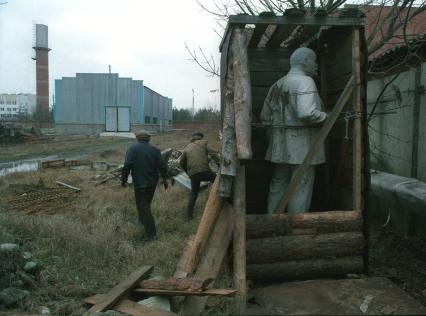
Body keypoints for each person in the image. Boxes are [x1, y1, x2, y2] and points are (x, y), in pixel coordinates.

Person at [260, 47, 328, 214]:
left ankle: (272, 225)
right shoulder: (305, 81)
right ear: (304, 61)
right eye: (314, 60)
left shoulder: (276, 85)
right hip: (303, 148)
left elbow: (264, 118)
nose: (316, 64)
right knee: (300, 187)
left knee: (278, 185)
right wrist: (326, 116)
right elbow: (306, 113)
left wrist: (275, 139)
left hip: (279, 149)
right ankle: (294, 230)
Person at [121, 130, 168, 240]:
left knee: (144, 207)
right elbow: (162, 166)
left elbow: (127, 165)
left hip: (140, 183)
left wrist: (123, 179)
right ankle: (141, 222)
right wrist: (165, 179)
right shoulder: (155, 150)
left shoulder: (132, 149)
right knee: (145, 205)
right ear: (148, 139)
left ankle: (152, 235)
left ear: (137, 138)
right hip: (152, 183)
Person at [179, 132, 217, 221]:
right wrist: (219, 163)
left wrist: (189, 173)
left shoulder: (187, 147)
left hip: (193, 174)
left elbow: (181, 163)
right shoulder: (204, 143)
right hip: (204, 171)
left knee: (194, 193)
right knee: (217, 181)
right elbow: (213, 153)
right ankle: (223, 202)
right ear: (200, 138)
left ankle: (189, 216)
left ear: (192, 138)